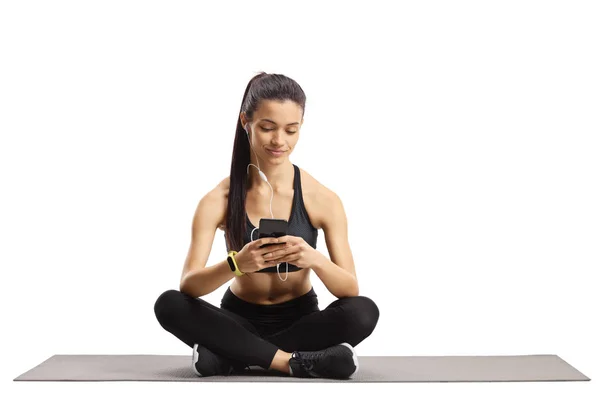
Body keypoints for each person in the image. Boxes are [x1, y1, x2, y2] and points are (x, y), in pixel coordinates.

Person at [153, 72, 379, 379]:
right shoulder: (217, 199)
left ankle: (232, 357)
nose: (279, 141)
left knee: (364, 311)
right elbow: (189, 286)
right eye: (267, 128)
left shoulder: (322, 198)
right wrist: (237, 264)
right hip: (237, 320)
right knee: (169, 304)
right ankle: (292, 362)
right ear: (246, 121)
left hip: (301, 322)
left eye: (291, 130)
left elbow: (349, 288)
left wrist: (312, 258)